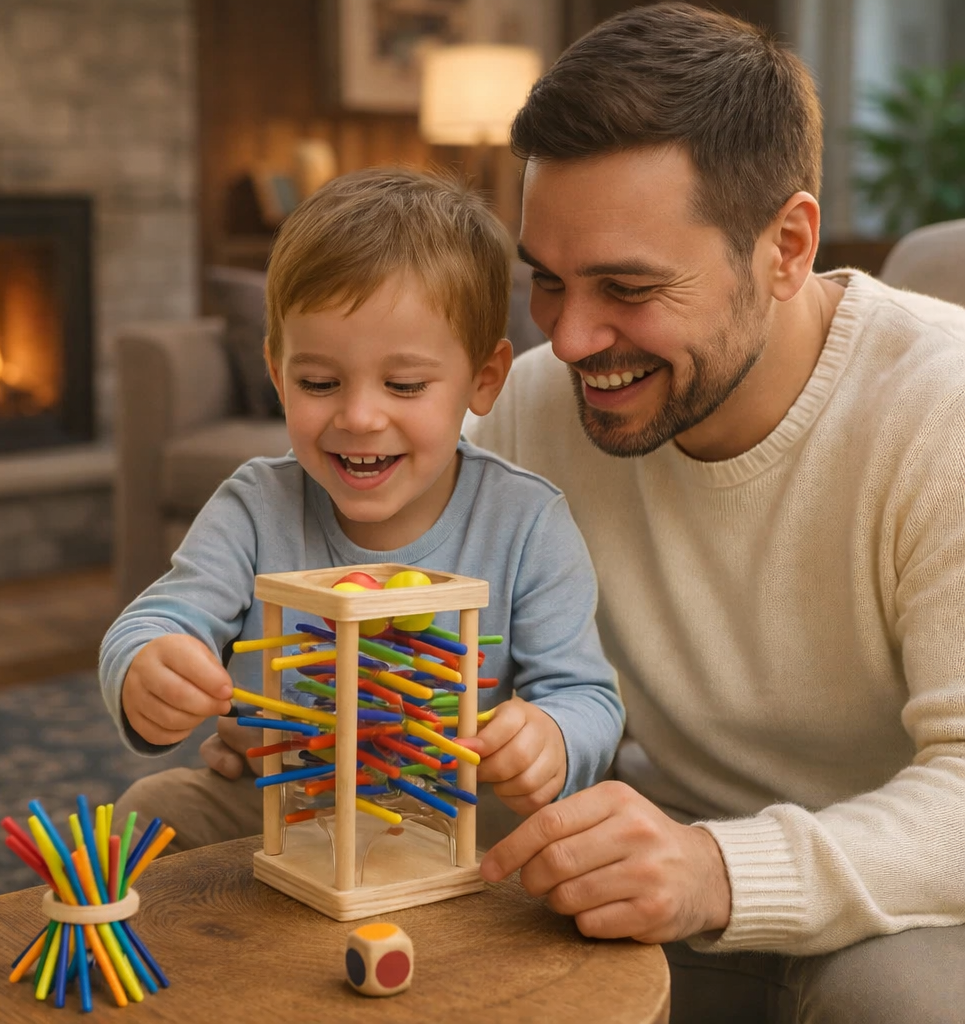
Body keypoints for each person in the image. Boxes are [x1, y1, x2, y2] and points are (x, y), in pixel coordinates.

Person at [462, 4, 965, 1022]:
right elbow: (421, 591)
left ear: (785, 246)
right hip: (649, 832)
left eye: (628, 286)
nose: (569, 338)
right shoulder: (537, 401)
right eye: (547, 282)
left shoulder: (940, 410)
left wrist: (713, 868)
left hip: (902, 894)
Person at [99, 167, 624, 857]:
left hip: (457, 814)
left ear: (484, 379)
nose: (359, 416)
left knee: (563, 848)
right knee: (151, 810)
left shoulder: (526, 521)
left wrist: (550, 738)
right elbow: (156, 620)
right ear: (278, 373)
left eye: (404, 384)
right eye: (319, 383)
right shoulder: (256, 506)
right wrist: (148, 667)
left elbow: (587, 696)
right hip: (283, 802)